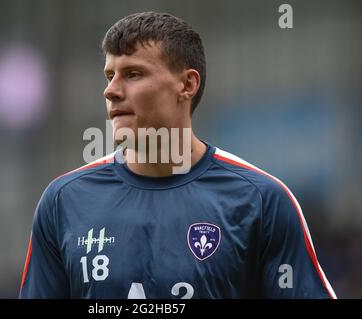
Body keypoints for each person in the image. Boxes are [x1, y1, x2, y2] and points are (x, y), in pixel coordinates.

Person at [19, 11, 336, 299]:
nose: (111, 90)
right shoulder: (63, 202)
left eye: (132, 74)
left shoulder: (262, 201)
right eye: (109, 75)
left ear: (187, 84)